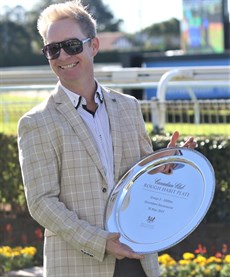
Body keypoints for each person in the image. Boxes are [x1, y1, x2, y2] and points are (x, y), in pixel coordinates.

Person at [17, 1, 196, 276]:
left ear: (94, 46)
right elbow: (42, 203)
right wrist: (100, 242)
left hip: (138, 259)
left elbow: (137, 181)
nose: (63, 55)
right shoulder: (35, 122)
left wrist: (161, 169)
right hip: (78, 264)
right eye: (53, 49)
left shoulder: (129, 106)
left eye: (73, 45)